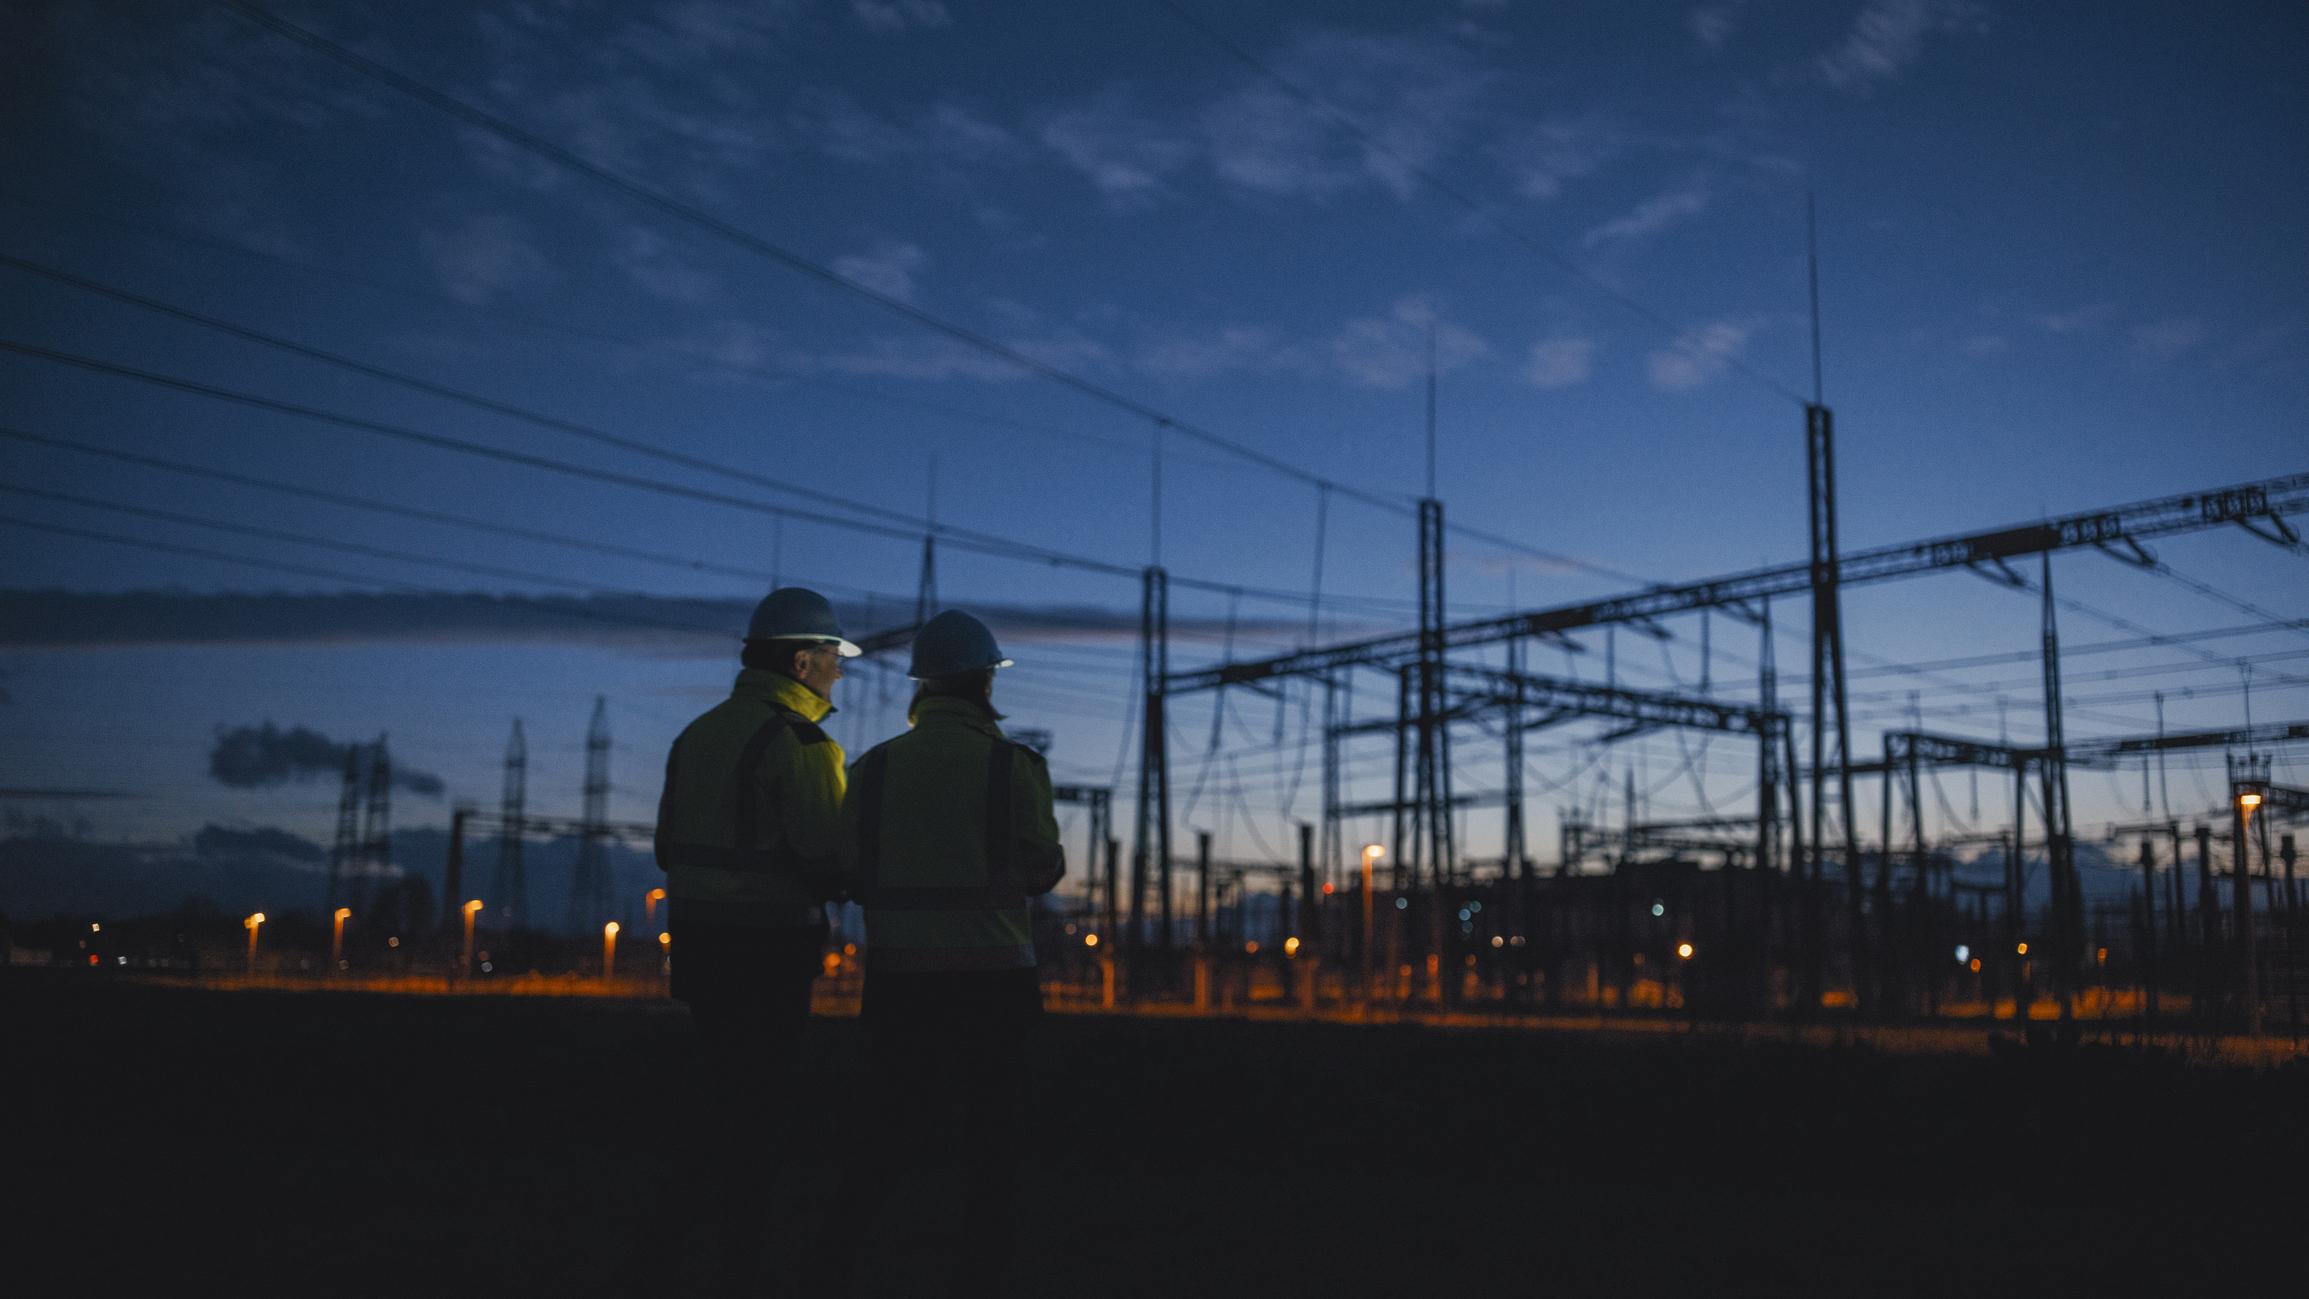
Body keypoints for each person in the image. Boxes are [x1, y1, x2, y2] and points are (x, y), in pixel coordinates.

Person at [833, 609, 1064, 1296]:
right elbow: (1043, 867)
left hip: (900, 979)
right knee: (992, 1138)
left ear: (921, 685)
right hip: (995, 983)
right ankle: (982, 1267)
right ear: (983, 680)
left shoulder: (872, 769)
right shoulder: (1013, 766)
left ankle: (864, 1258)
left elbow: (847, 867)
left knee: (889, 1129)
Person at [652, 585, 857, 1287]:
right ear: (802, 663)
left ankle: (681, 1235)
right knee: (764, 1102)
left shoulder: (695, 735)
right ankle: (746, 1247)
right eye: (832, 656)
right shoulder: (802, 743)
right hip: (769, 947)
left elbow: (664, 845)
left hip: (700, 941)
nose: (840, 669)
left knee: (716, 1085)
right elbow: (830, 857)